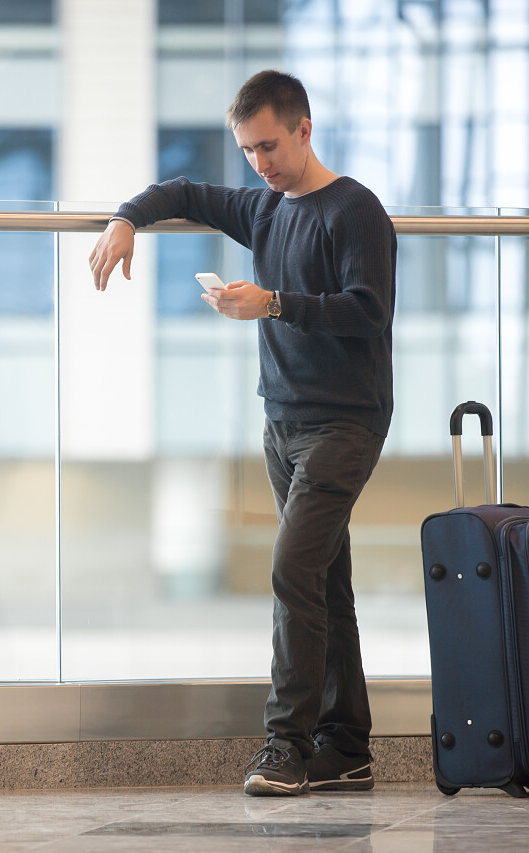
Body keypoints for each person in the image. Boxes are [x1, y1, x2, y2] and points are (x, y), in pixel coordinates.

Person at [88, 70, 397, 797]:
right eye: (249, 151)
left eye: (268, 146)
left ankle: (284, 746)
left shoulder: (355, 210)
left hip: (345, 423)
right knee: (325, 582)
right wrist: (127, 217)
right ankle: (346, 745)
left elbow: (367, 309)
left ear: (304, 129)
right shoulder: (263, 210)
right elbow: (187, 194)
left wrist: (275, 303)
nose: (260, 163)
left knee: (293, 571)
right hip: (281, 422)